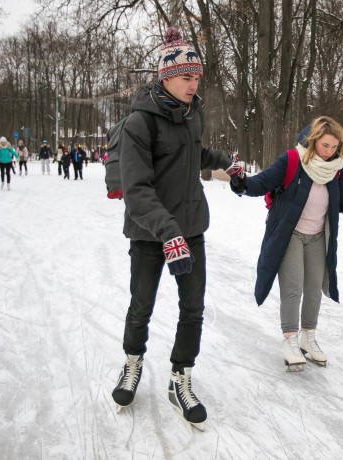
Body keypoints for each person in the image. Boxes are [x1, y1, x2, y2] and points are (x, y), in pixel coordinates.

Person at [110, 27, 242, 430]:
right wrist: (168, 234)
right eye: (187, 77)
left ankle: (179, 377)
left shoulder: (192, 114)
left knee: (193, 309)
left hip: (190, 229)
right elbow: (136, 189)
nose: (193, 84)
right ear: (165, 77)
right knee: (142, 305)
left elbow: (194, 151)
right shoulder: (139, 123)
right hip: (151, 234)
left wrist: (223, 162)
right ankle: (132, 363)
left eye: (197, 77)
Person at [229, 116, 343, 371]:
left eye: (334, 146)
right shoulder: (292, 160)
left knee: (314, 287)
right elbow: (261, 182)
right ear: (313, 141)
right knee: (293, 285)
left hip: (319, 236)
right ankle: (290, 340)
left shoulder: (336, 169)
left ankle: (308, 337)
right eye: (325, 145)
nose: (330, 151)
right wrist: (241, 181)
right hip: (291, 234)